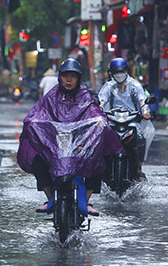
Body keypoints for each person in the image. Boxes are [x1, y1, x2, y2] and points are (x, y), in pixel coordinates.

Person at [17, 58, 123, 217]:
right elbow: (38, 113)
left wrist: (100, 123)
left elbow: (95, 113)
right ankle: (50, 198)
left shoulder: (85, 96)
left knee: (98, 158)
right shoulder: (52, 96)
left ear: (78, 78)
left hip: (80, 143)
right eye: (66, 75)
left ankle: (86, 201)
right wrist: (33, 122)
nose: (69, 79)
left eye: (73, 76)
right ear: (60, 77)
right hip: (55, 143)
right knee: (38, 160)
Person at [98, 57, 153, 180]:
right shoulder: (109, 86)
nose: (119, 75)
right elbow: (102, 101)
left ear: (126, 71)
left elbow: (142, 100)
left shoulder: (135, 86)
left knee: (141, 138)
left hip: (132, 121)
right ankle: (101, 166)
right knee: (100, 139)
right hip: (112, 120)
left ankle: (139, 167)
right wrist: (99, 109)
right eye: (116, 72)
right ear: (111, 73)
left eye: (121, 71)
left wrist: (145, 112)